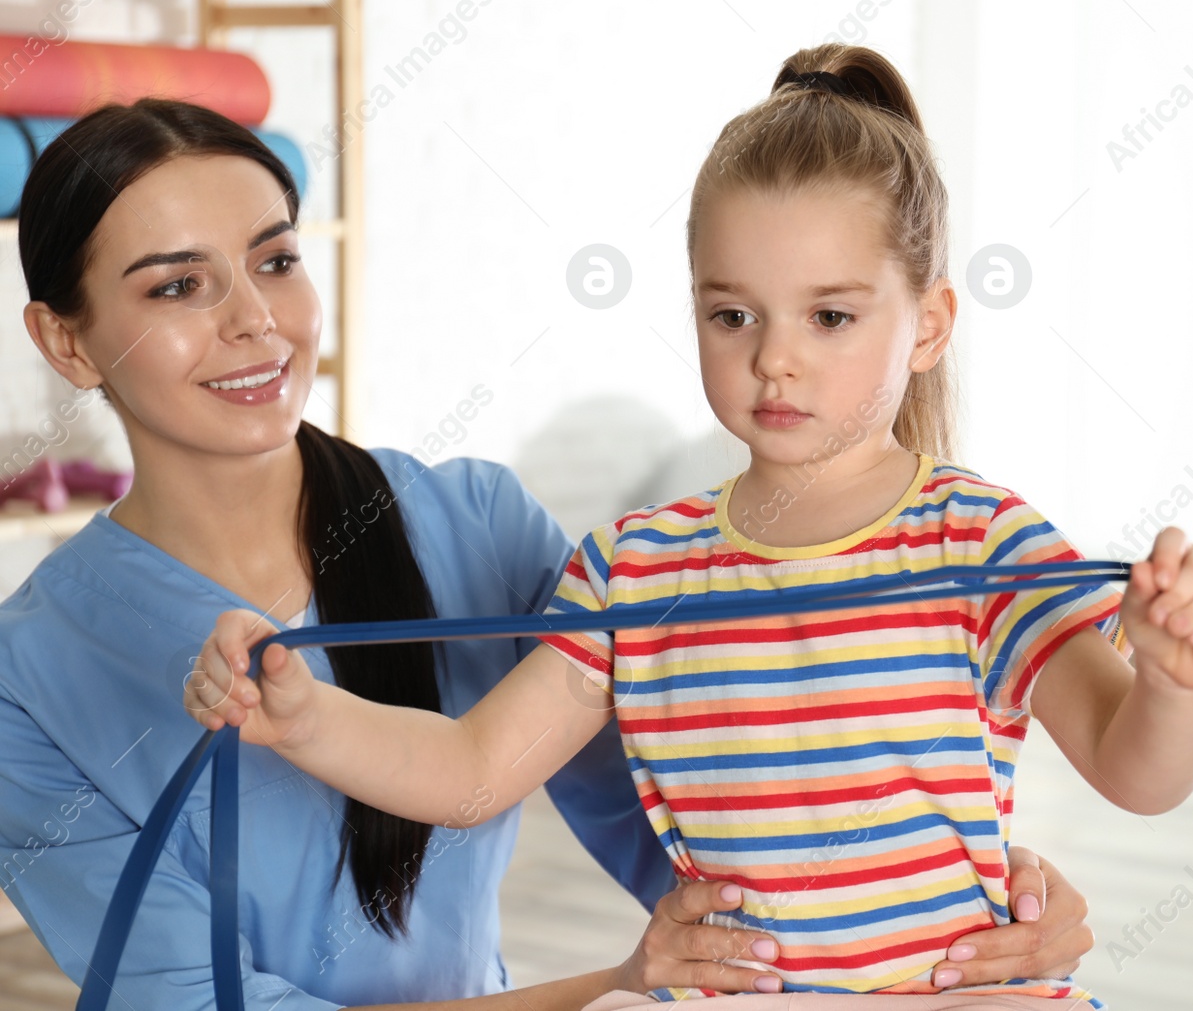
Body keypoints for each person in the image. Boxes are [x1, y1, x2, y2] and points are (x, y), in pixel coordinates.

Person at [2, 98, 1095, 1011]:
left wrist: (974, 925)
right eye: (176, 285)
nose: (257, 321)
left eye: (275, 260)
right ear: (65, 337)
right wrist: (613, 984)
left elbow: (725, 811)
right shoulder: (26, 680)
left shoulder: (477, 526)